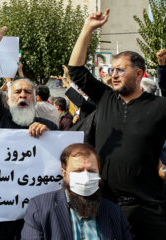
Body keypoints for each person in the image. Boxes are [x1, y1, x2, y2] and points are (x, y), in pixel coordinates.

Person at [68, 9, 166, 239]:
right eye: (112, 70)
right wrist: (87, 29)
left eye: (121, 70)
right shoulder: (105, 98)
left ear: (139, 73)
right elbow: (76, 70)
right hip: (105, 205)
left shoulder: (160, 106)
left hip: (147, 209)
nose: (114, 75)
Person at [0, 12, 57, 240]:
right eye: (17, 92)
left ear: (34, 99)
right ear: (10, 99)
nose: (23, 95)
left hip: (35, 215)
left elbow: (61, 159)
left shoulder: (48, 125)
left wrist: (49, 136)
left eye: (27, 92)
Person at [21, 143, 131, 240]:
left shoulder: (115, 213)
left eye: (91, 171)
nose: (86, 177)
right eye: (78, 171)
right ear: (64, 174)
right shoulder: (40, 209)